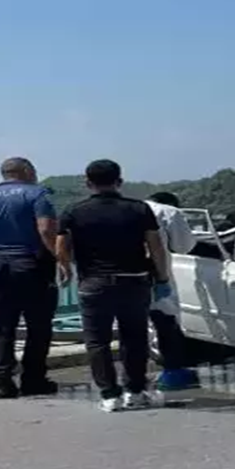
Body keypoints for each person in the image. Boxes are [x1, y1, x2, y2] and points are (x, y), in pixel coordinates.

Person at [56, 159, 172, 412]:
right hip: (134, 280)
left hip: (93, 283)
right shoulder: (139, 209)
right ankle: (135, 391)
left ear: (88, 183)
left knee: (97, 341)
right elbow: (156, 247)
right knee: (135, 338)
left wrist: (65, 270)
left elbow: (61, 246)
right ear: (119, 182)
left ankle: (110, 395)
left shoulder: (74, 211)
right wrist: (162, 278)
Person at [0, 157, 60, 399]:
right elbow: (46, 229)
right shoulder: (38, 194)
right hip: (31, 264)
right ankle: (33, 378)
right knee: (38, 325)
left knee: (0, 325)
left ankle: (0, 380)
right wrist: (62, 259)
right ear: (27, 171)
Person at [145, 191, 200, 391]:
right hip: (155, 276)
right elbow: (184, 246)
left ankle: (132, 380)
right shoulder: (169, 212)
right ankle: (173, 374)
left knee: (130, 329)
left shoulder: (125, 209)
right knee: (166, 323)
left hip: (114, 279)